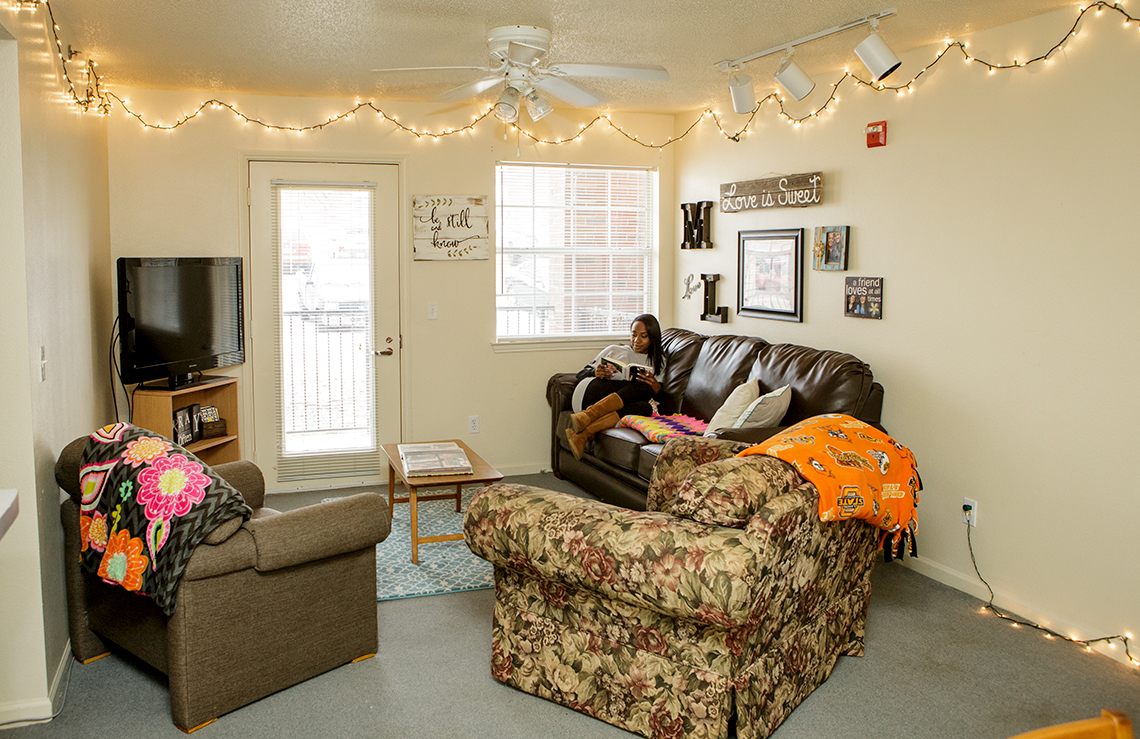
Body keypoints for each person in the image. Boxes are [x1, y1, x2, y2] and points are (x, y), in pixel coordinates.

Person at [565, 314, 665, 460]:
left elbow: (659, 398)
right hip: (589, 392)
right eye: (633, 335)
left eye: (643, 336)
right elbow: (581, 374)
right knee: (643, 388)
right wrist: (596, 372)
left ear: (653, 337)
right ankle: (586, 415)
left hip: (610, 408)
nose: (636, 341)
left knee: (645, 408)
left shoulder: (659, 361)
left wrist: (657, 388)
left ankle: (582, 435)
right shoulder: (615, 350)